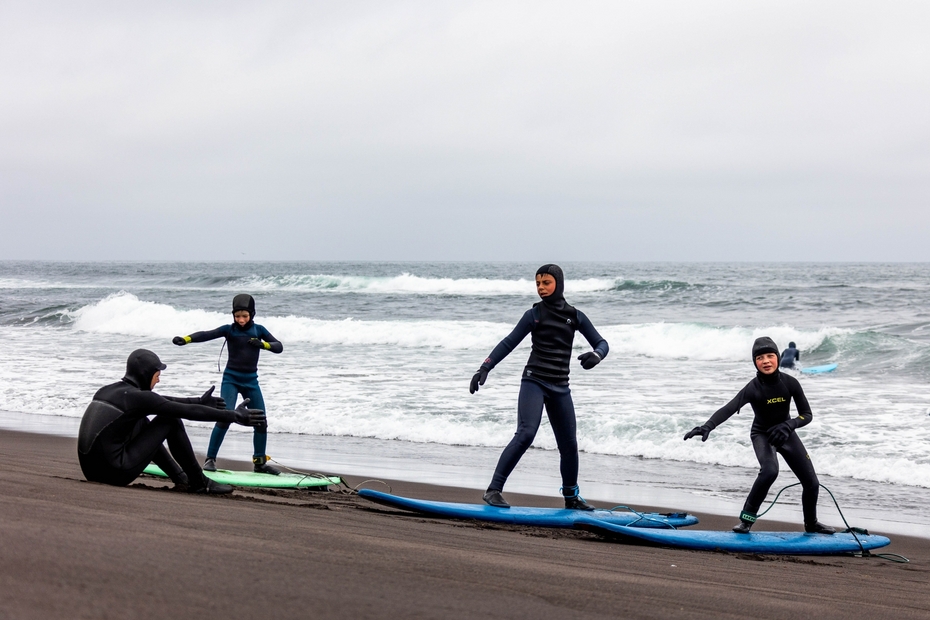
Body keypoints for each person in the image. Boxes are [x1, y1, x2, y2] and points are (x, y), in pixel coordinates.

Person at [470, 264, 609, 510]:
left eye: (546, 283)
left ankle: (571, 497)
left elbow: (601, 342)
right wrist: (485, 367)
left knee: (569, 445)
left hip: (560, 387)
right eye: (537, 284)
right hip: (534, 381)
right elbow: (509, 342)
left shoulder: (575, 316)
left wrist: (596, 356)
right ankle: (493, 490)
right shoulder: (533, 315)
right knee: (526, 433)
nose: (541, 288)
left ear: (559, 283)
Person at [683, 336, 834, 534]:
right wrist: (707, 426)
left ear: (778, 358)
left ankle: (811, 523)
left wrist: (789, 425)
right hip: (762, 434)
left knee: (812, 482)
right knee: (770, 471)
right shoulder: (753, 388)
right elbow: (730, 407)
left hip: (785, 433)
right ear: (755, 362)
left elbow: (807, 415)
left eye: (770, 356)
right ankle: (746, 520)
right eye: (760, 357)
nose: (766, 361)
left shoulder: (791, 383)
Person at [78, 349, 266, 493]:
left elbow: (162, 401)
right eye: (157, 375)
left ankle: (181, 478)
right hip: (113, 473)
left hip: (92, 471)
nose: (158, 380)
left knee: (141, 422)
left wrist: (199, 401)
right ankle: (199, 482)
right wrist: (234, 416)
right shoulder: (139, 398)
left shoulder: (109, 390)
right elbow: (184, 411)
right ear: (146, 374)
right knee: (170, 420)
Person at [172, 294, 284, 474]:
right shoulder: (229, 330)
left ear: (252, 314)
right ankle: (210, 459)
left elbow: (278, 346)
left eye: (245, 316)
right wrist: (186, 339)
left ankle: (259, 463)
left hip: (251, 381)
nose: (240, 320)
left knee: (260, 420)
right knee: (224, 417)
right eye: (237, 316)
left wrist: (263, 345)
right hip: (231, 379)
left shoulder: (259, 330)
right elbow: (207, 334)